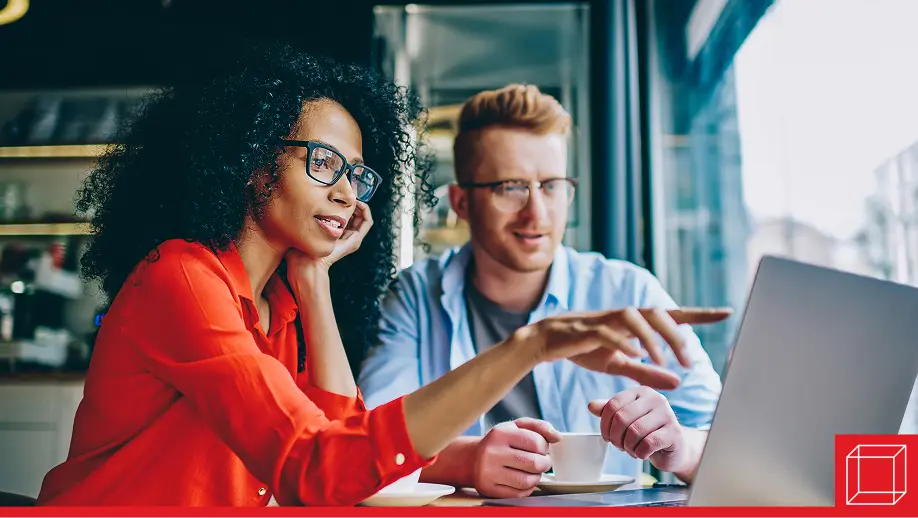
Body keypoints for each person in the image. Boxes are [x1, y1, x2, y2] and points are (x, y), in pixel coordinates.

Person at [34, 44, 727, 507]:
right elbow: (317, 466)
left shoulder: (278, 304)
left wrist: (313, 283)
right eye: (323, 163)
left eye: (356, 174)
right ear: (250, 161)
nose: (347, 193)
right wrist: (531, 346)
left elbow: (341, 444)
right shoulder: (183, 279)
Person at [358, 84, 727, 499]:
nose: (537, 212)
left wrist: (679, 448)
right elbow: (367, 443)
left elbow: (729, 444)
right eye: (510, 187)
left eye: (551, 185)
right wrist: (468, 459)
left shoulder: (628, 290)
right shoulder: (415, 296)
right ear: (461, 202)